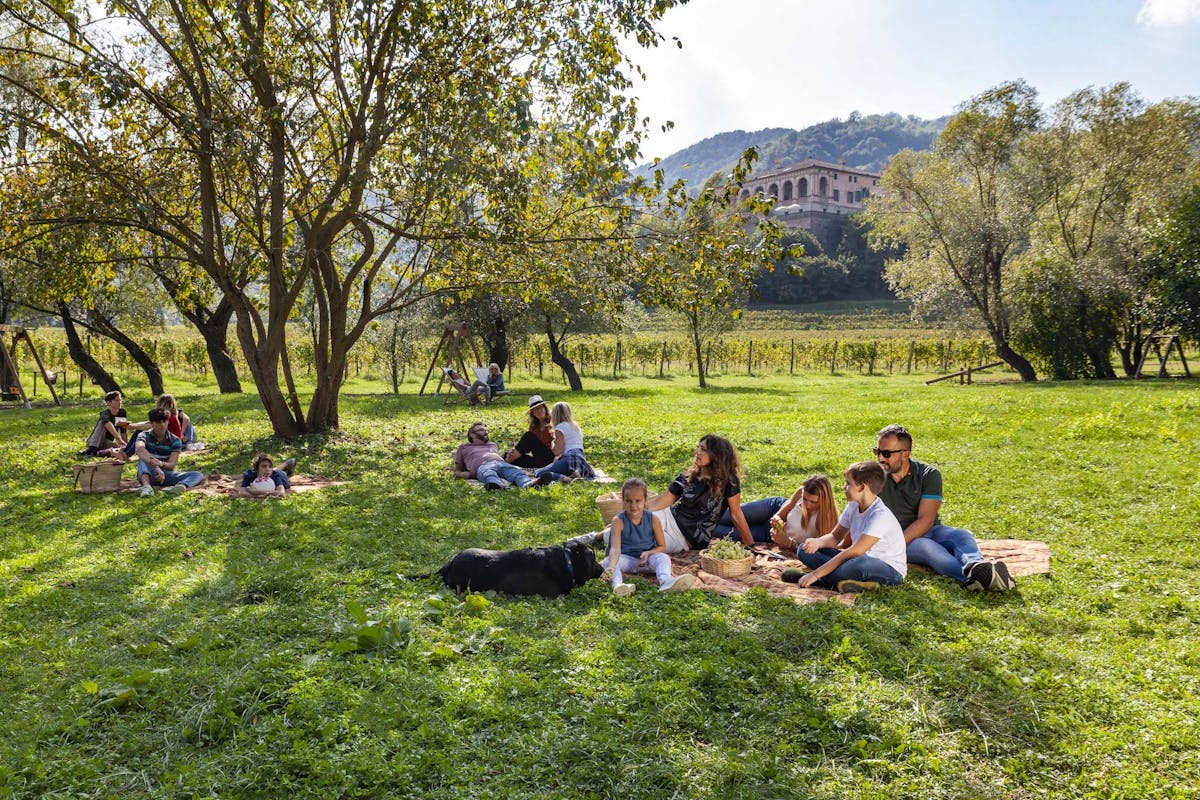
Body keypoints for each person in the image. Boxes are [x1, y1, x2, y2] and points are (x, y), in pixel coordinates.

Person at [874, 423, 1015, 592]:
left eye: (886, 453)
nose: (881, 458)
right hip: (895, 538)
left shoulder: (928, 474)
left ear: (905, 454)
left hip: (930, 529)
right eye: (878, 452)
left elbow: (926, 519)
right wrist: (895, 545)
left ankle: (976, 565)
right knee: (927, 548)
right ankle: (974, 577)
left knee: (962, 534)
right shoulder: (874, 477)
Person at [796, 461, 907, 593]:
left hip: (887, 569)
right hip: (854, 559)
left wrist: (816, 574)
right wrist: (818, 542)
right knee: (804, 549)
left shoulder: (880, 516)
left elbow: (855, 551)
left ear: (862, 487)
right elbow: (835, 537)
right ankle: (848, 581)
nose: (844, 487)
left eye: (848, 483)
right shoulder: (853, 505)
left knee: (859, 564)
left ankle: (820, 577)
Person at [604, 478, 699, 595]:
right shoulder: (618, 521)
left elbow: (662, 547)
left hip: (647, 560)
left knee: (663, 558)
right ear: (623, 501)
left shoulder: (653, 519)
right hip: (626, 559)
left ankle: (666, 582)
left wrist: (649, 553)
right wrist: (611, 567)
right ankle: (618, 586)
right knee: (607, 561)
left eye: (638, 501)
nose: (633, 505)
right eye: (628, 501)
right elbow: (615, 549)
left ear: (645, 500)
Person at [453, 422, 564, 490]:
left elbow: (498, 457)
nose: (485, 432)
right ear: (472, 434)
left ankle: (530, 484)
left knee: (517, 472)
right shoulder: (464, 448)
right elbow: (457, 470)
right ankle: (496, 485)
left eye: (485, 430)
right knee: (488, 473)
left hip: (500, 463)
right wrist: (466, 474)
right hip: (483, 466)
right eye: (481, 430)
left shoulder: (492, 445)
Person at [133, 408, 206, 497]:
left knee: (197, 475)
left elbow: (171, 465)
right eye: (158, 422)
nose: (162, 425)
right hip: (147, 472)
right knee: (143, 459)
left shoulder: (175, 440)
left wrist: (161, 464)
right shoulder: (144, 435)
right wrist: (155, 465)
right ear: (152, 423)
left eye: (164, 421)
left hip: (165, 474)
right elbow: (139, 449)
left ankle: (180, 486)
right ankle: (147, 487)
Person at [768, 474, 840, 549]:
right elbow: (780, 514)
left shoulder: (826, 518)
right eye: (804, 499)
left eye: (813, 502)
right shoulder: (800, 492)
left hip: (777, 539)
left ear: (824, 500)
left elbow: (819, 551)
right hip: (774, 515)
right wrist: (776, 519)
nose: (807, 505)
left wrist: (789, 543)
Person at [533, 402, 594, 482]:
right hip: (580, 459)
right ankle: (574, 475)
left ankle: (567, 479)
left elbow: (557, 451)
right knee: (544, 470)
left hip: (569, 459)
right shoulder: (575, 426)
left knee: (539, 474)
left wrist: (552, 443)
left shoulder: (560, 427)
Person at [505, 394, 556, 468]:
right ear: (533, 413)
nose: (539, 411)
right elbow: (525, 446)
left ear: (545, 409)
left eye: (540, 408)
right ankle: (509, 458)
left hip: (551, 457)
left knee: (528, 436)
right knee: (509, 455)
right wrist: (514, 451)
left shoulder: (553, 422)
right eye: (536, 409)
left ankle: (506, 461)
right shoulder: (534, 427)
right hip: (539, 459)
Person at [82, 391, 131, 457]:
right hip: (95, 441)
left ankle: (96, 453)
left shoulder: (122, 412)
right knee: (102, 423)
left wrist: (126, 447)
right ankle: (92, 449)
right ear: (109, 402)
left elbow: (123, 430)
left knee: (118, 450)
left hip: (107, 442)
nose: (119, 402)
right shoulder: (105, 413)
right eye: (116, 400)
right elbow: (107, 423)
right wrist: (118, 438)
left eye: (120, 400)